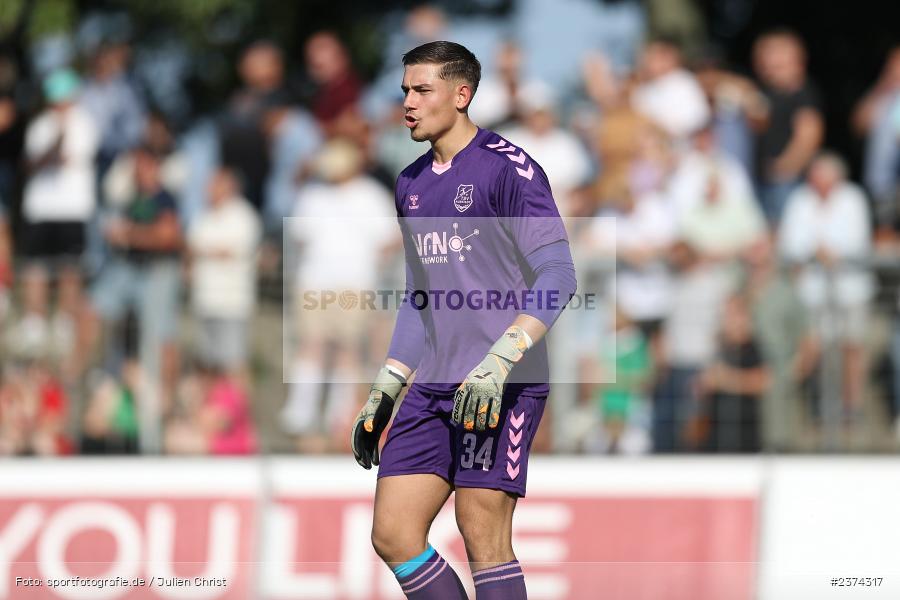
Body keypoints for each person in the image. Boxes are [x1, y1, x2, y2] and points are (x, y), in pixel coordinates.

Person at [349, 41, 576, 598]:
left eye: (422, 90)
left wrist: (501, 359)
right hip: (432, 386)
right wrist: (388, 385)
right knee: (394, 534)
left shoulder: (510, 170)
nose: (408, 102)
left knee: (481, 532)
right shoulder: (410, 183)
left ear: (461, 94)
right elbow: (419, 295)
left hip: (502, 382)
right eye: (405, 89)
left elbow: (559, 275)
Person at [752, 29, 824, 223]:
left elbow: (809, 134)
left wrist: (784, 168)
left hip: (786, 181)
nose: (767, 60)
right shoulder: (767, 93)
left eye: (774, 52)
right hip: (765, 178)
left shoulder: (802, 93)